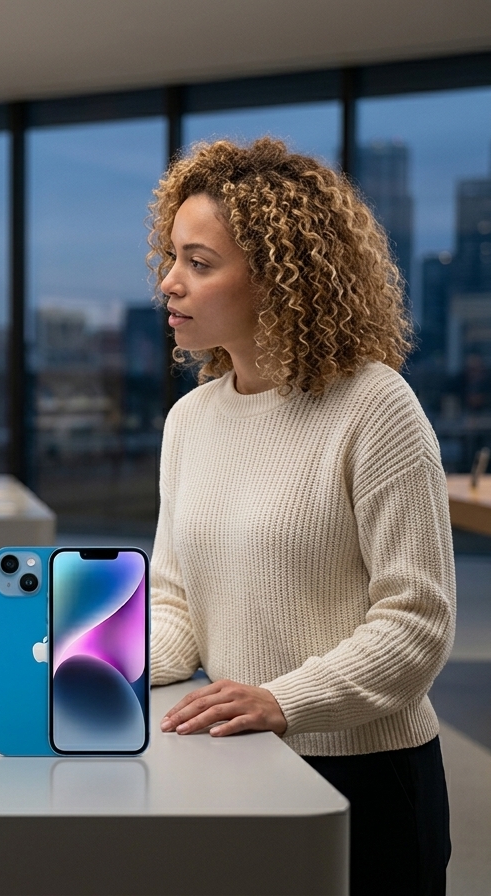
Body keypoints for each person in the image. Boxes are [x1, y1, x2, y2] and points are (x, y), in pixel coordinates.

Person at [148, 138, 455, 895]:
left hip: (367, 779)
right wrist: (99, 660)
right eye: (171, 257)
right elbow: (176, 598)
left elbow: (416, 623)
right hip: (236, 758)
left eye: (199, 262)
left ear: (282, 280)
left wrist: (284, 699)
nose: (169, 283)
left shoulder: (376, 407)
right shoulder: (189, 420)